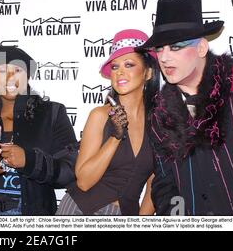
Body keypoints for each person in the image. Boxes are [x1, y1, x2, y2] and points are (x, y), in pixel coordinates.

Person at [139, 0, 233, 216]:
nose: (165, 58)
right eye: (159, 49)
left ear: (201, 48)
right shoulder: (159, 115)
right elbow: (164, 182)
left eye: (176, 47)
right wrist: (179, 218)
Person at [0, 46, 78, 215]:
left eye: (17, 70)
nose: (10, 77)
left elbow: (69, 171)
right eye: (2, 71)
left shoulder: (52, 114)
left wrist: (29, 161)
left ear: (28, 76)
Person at [56, 29, 160, 215]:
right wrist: (115, 137)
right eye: (114, 67)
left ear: (148, 73)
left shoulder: (158, 122)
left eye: (129, 65)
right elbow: (84, 182)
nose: (120, 72)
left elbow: (154, 182)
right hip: (80, 211)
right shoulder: (100, 115)